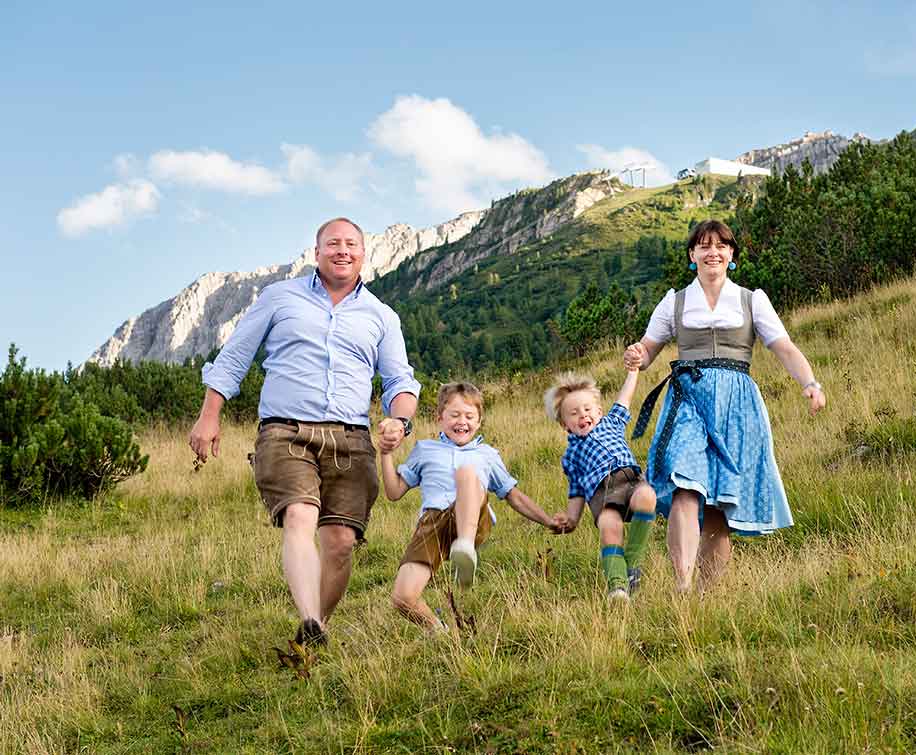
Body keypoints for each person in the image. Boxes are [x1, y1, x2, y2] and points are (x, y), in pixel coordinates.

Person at [188, 217, 420, 646]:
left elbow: (400, 382)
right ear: (317, 253)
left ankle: (315, 631)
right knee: (299, 514)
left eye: (351, 244)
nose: (342, 251)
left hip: (351, 439)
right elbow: (235, 356)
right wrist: (210, 414)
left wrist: (400, 421)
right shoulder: (279, 298)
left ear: (363, 254)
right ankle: (310, 617)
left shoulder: (382, 316)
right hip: (285, 432)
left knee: (341, 543)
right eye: (333, 243)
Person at [624, 219, 826, 592]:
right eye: (703, 245)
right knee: (685, 484)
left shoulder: (752, 300)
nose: (712, 252)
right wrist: (637, 352)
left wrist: (810, 383)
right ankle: (682, 587)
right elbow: (648, 350)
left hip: (736, 406)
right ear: (692, 255)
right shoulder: (675, 301)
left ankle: (707, 596)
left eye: (720, 245)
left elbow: (783, 347)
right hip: (688, 399)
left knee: (718, 507)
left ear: (731, 254)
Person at [382, 381, 565, 631]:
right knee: (403, 597)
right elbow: (393, 493)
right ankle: (439, 631)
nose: (462, 422)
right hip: (432, 524)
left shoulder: (487, 455)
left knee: (467, 473)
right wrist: (385, 453)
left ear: (479, 421)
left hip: (473, 520)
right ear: (439, 418)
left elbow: (513, 495)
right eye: (454, 415)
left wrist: (547, 520)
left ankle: (465, 548)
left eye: (469, 416)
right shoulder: (425, 450)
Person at [544, 368, 656, 601]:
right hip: (601, 494)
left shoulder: (612, 423)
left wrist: (633, 372)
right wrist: (572, 519)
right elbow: (576, 490)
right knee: (609, 527)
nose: (582, 415)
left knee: (647, 497)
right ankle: (618, 587)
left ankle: (632, 565)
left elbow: (625, 398)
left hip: (630, 480)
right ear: (565, 424)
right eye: (573, 413)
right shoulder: (571, 454)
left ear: (599, 411)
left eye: (587, 409)